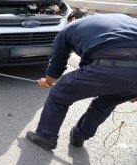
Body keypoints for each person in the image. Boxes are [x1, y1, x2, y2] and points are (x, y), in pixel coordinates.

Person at [25, 9, 137, 150]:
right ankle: (79, 136)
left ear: (72, 18)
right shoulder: (120, 18)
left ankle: (45, 136)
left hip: (108, 65)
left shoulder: (71, 27)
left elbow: (57, 64)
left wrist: (48, 82)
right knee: (104, 104)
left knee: (59, 94)